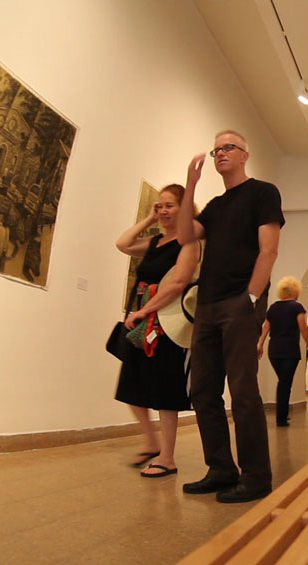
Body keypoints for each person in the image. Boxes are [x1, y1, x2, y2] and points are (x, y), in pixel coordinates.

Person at [177, 129, 283, 504]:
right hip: (207, 305)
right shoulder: (216, 206)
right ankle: (221, 469)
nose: (221, 153)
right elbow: (185, 234)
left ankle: (256, 478)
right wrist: (191, 185)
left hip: (240, 302)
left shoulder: (263, 192)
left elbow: (268, 250)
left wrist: (251, 297)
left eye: (228, 147)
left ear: (244, 155)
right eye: (216, 149)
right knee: (203, 391)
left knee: (242, 392)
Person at [114, 184, 199, 477]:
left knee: (165, 389)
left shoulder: (189, 243)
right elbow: (123, 244)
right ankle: (152, 442)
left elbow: (178, 283)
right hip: (141, 319)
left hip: (167, 322)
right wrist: (149, 219)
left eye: (169, 205)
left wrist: (144, 311)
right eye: (159, 206)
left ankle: (168, 457)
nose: (163, 211)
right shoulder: (155, 242)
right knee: (131, 383)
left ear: (184, 209)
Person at [257, 276, 308, 427]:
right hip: (290, 349)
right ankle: (281, 418)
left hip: (274, 349)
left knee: (283, 381)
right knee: (285, 382)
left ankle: (282, 414)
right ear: (296, 291)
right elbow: (303, 328)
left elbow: (265, 328)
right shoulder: (297, 307)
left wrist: (260, 344)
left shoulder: (273, 308)